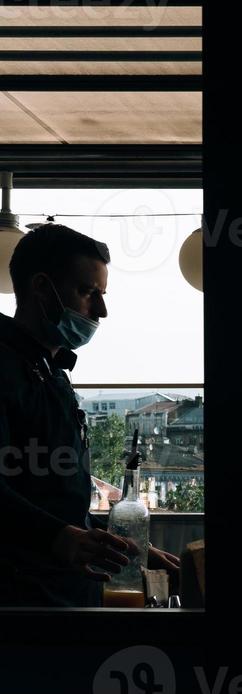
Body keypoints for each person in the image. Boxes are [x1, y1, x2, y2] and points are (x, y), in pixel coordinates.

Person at [0, 223, 179, 606]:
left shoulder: (52, 374)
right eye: (87, 292)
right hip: (22, 603)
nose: (101, 310)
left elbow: (54, 503)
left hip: (65, 593)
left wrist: (125, 549)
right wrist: (61, 538)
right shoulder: (4, 370)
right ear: (41, 287)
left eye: (101, 294)